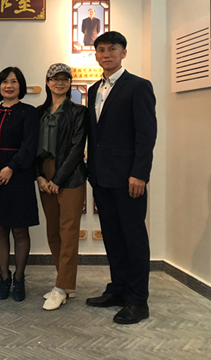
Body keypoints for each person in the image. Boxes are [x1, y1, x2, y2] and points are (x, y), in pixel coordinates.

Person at [86, 31, 157, 324]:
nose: (106, 54)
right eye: (101, 49)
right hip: (101, 178)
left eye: (112, 49)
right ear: (96, 55)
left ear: (123, 53)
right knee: (113, 238)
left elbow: (146, 134)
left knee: (134, 239)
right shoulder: (94, 89)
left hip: (129, 180)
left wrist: (139, 173)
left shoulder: (138, 86)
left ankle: (138, 301)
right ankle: (118, 289)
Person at [0, 67, 39, 302]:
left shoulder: (29, 112)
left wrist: (11, 168)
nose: (9, 85)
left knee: (19, 229)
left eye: (14, 81)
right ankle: (4, 277)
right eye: (5, 81)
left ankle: (19, 278)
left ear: (21, 86)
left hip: (19, 174)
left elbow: (30, 145)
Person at [36, 63, 88, 311]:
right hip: (44, 174)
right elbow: (32, 147)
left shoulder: (79, 112)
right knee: (53, 231)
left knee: (68, 232)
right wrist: (39, 176)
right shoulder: (38, 112)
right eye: (55, 78)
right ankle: (65, 284)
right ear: (47, 82)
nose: (59, 83)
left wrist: (57, 179)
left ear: (70, 83)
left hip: (70, 175)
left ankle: (61, 287)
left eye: (65, 79)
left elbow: (77, 149)